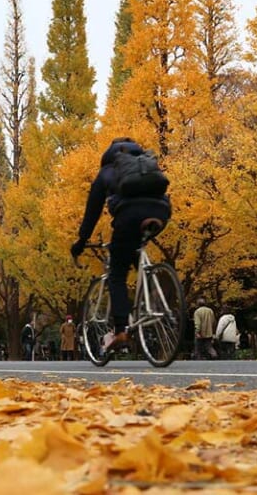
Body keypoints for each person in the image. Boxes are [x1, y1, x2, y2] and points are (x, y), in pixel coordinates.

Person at [70, 137, 171, 352]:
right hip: (161, 213)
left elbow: (93, 211)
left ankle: (121, 329)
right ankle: (154, 291)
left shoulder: (108, 170)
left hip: (130, 216)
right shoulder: (146, 163)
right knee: (132, 249)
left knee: (117, 272)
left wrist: (81, 240)